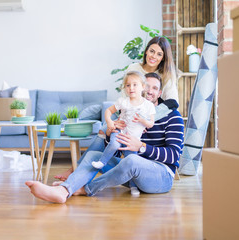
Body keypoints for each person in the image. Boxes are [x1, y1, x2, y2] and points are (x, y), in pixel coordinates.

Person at [25, 74, 184, 203]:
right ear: (141, 87)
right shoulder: (128, 112)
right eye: (146, 86)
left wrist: (141, 147)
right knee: (95, 156)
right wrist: (110, 132)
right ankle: (65, 190)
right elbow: (114, 153)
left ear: (160, 93)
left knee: (131, 161)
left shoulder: (172, 117)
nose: (149, 91)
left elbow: (174, 156)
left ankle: (85, 189)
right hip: (132, 176)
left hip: (160, 176)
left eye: (154, 88)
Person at [53, 36, 179, 181]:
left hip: (148, 116)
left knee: (107, 130)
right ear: (146, 51)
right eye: (152, 51)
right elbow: (124, 97)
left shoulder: (167, 74)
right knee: (105, 129)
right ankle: (77, 171)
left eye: (159, 54)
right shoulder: (134, 68)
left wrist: (146, 119)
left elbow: (173, 103)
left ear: (163, 58)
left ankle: (76, 171)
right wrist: (119, 119)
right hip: (127, 112)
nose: (153, 56)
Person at [91, 71, 155, 170]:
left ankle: (133, 185)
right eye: (128, 85)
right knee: (114, 144)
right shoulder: (123, 101)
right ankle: (102, 162)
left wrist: (143, 121)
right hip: (120, 132)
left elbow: (151, 124)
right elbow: (108, 111)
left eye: (135, 85)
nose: (131, 88)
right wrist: (109, 122)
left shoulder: (148, 105)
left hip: (133, 139)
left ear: (143, 86)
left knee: (131, 160)